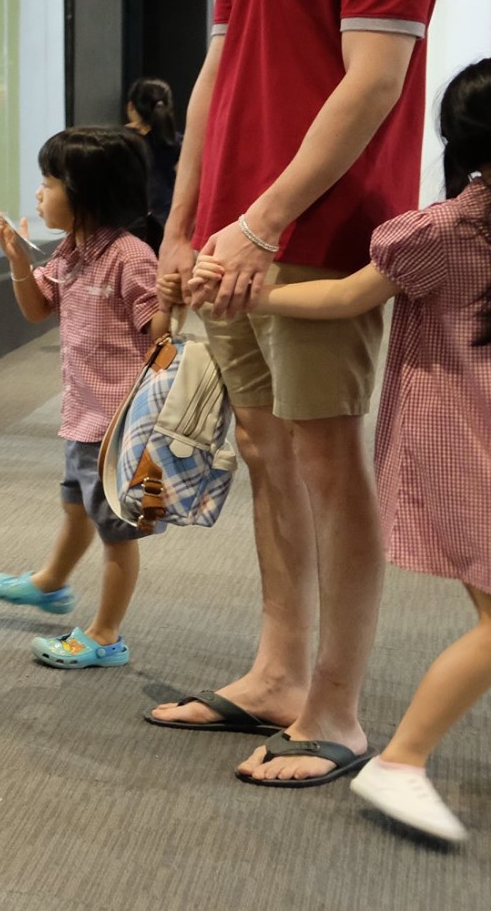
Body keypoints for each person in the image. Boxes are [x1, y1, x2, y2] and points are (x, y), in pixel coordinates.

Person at [151, 0, 447, 789]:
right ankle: (277, 674)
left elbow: (372, 84)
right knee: (266, 451)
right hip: (234, 237)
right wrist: (184, 225)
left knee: (325, 461)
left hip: (317, 233)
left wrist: (263, 223)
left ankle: (337, 709)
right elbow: (215, 78)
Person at [194, 60, 490, 840]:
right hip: (464, 446)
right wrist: (256, 294)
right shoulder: (444, 230)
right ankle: (401, 759)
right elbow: (346, 295)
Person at [0, 129, 168, 671]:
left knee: (117, 533)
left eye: (48, 182)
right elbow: (38, 308)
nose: (38, 194)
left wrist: (176, 294)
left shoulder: (129, 257)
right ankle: (51, 582)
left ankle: (105, 635)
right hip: (83, 416)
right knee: (76, 504)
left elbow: (160, 335)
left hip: (119, 426)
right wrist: (18, 261)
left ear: (85, 192)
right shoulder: (71, 252)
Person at [125, 76, 181, 223]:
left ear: (131, 107)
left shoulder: (119, 141)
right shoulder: (177, 141)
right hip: (167, 218)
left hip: (130, 221)